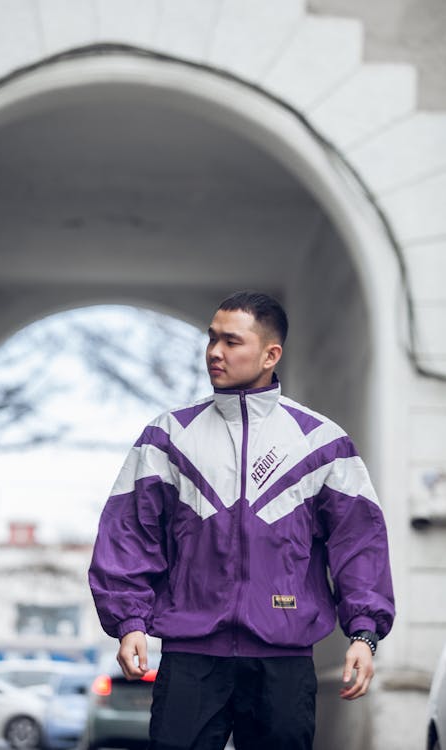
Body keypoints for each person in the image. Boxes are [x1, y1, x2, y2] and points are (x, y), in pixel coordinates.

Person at [89, 291, 395, 750]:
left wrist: (364, 634)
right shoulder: (168, 437)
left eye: (231, 341)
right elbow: (128, 534)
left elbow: (359, 543)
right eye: (212, 339)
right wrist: (130, 622)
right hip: (190, 655)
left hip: (284, 660)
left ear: (271, 354)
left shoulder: (322, 443)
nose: (214, 352)